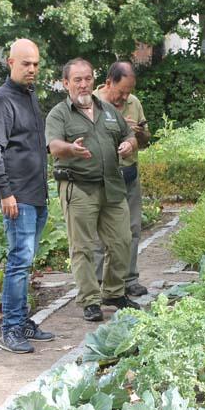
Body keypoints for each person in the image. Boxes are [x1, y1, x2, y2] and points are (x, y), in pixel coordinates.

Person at [46, 58, 141, 322]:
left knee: (122, 240)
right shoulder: (59, 114)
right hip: (78, 187)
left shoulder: (108, 110)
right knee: (83, 247)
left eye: (87, 78)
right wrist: (70, 149)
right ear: (66, 84)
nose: (84, 84)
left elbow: (128, 135)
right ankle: (89, 299)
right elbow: (53, 146)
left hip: (112, 186)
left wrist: (129, 145)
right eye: (77, 80)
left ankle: (113, 292)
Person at [0, 38, 55, 354]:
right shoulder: (2, 100)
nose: (32, 69)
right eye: (26, 63)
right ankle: (10, 329)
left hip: (36, 196)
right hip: (18, 198)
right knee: (18, 263)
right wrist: (5, 193)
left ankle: (22, 322)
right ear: (10, 63)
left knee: (25, 263)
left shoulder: (29, 98)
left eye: (36, 64)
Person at [93, 61, 151, 296]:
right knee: (101, 234)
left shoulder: (133, 103)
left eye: (128, 92)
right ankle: (98, 283)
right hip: (102, 178)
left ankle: (129, 279)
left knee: (133, 229)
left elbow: (147, 138)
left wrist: (137, 133)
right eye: (121, 92)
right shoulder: (92, 103)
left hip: (129, 176)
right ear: (108, 83)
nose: (124, 97)